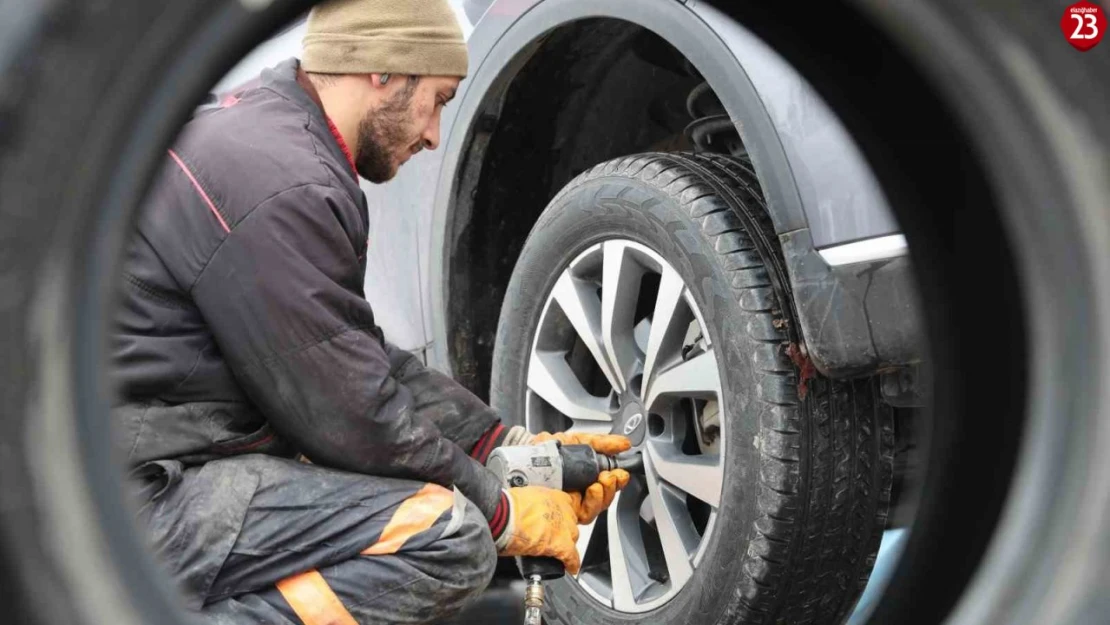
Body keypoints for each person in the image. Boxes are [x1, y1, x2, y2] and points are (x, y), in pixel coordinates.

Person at [111, 1, 630, 622]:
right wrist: (501, 512)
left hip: (152, 472)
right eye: (438, 99)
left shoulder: (266, 135)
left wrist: (501, 444)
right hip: (148, 501)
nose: (435, 134)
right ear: (382, 72)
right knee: (448, 538)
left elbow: (349, 352)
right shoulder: (288, 186)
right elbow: (350, 416)